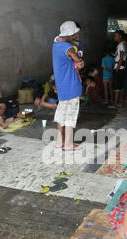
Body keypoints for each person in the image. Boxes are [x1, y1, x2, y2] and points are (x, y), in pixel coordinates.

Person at [53, 21, 84, 151]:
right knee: (70, 117)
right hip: (71, 87)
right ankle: (68, 144)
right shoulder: (67, 46)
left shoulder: (56, 45)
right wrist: (80, 61)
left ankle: (60, 142)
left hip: (62, 87)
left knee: (61, 115)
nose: (75, 36)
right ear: (69, 34)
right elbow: (72, 53)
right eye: (74, 34)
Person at [113, 30, 127, 107]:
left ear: (120, 36)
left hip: (119, 67)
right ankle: (120, 102)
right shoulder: (123, 44)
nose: (114, 37)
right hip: (122, 67)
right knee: (121, 86)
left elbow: (121, 58)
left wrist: (117, 69)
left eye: (116, 35)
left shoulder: (120, 45)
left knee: (117, 86)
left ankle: (115, 103)